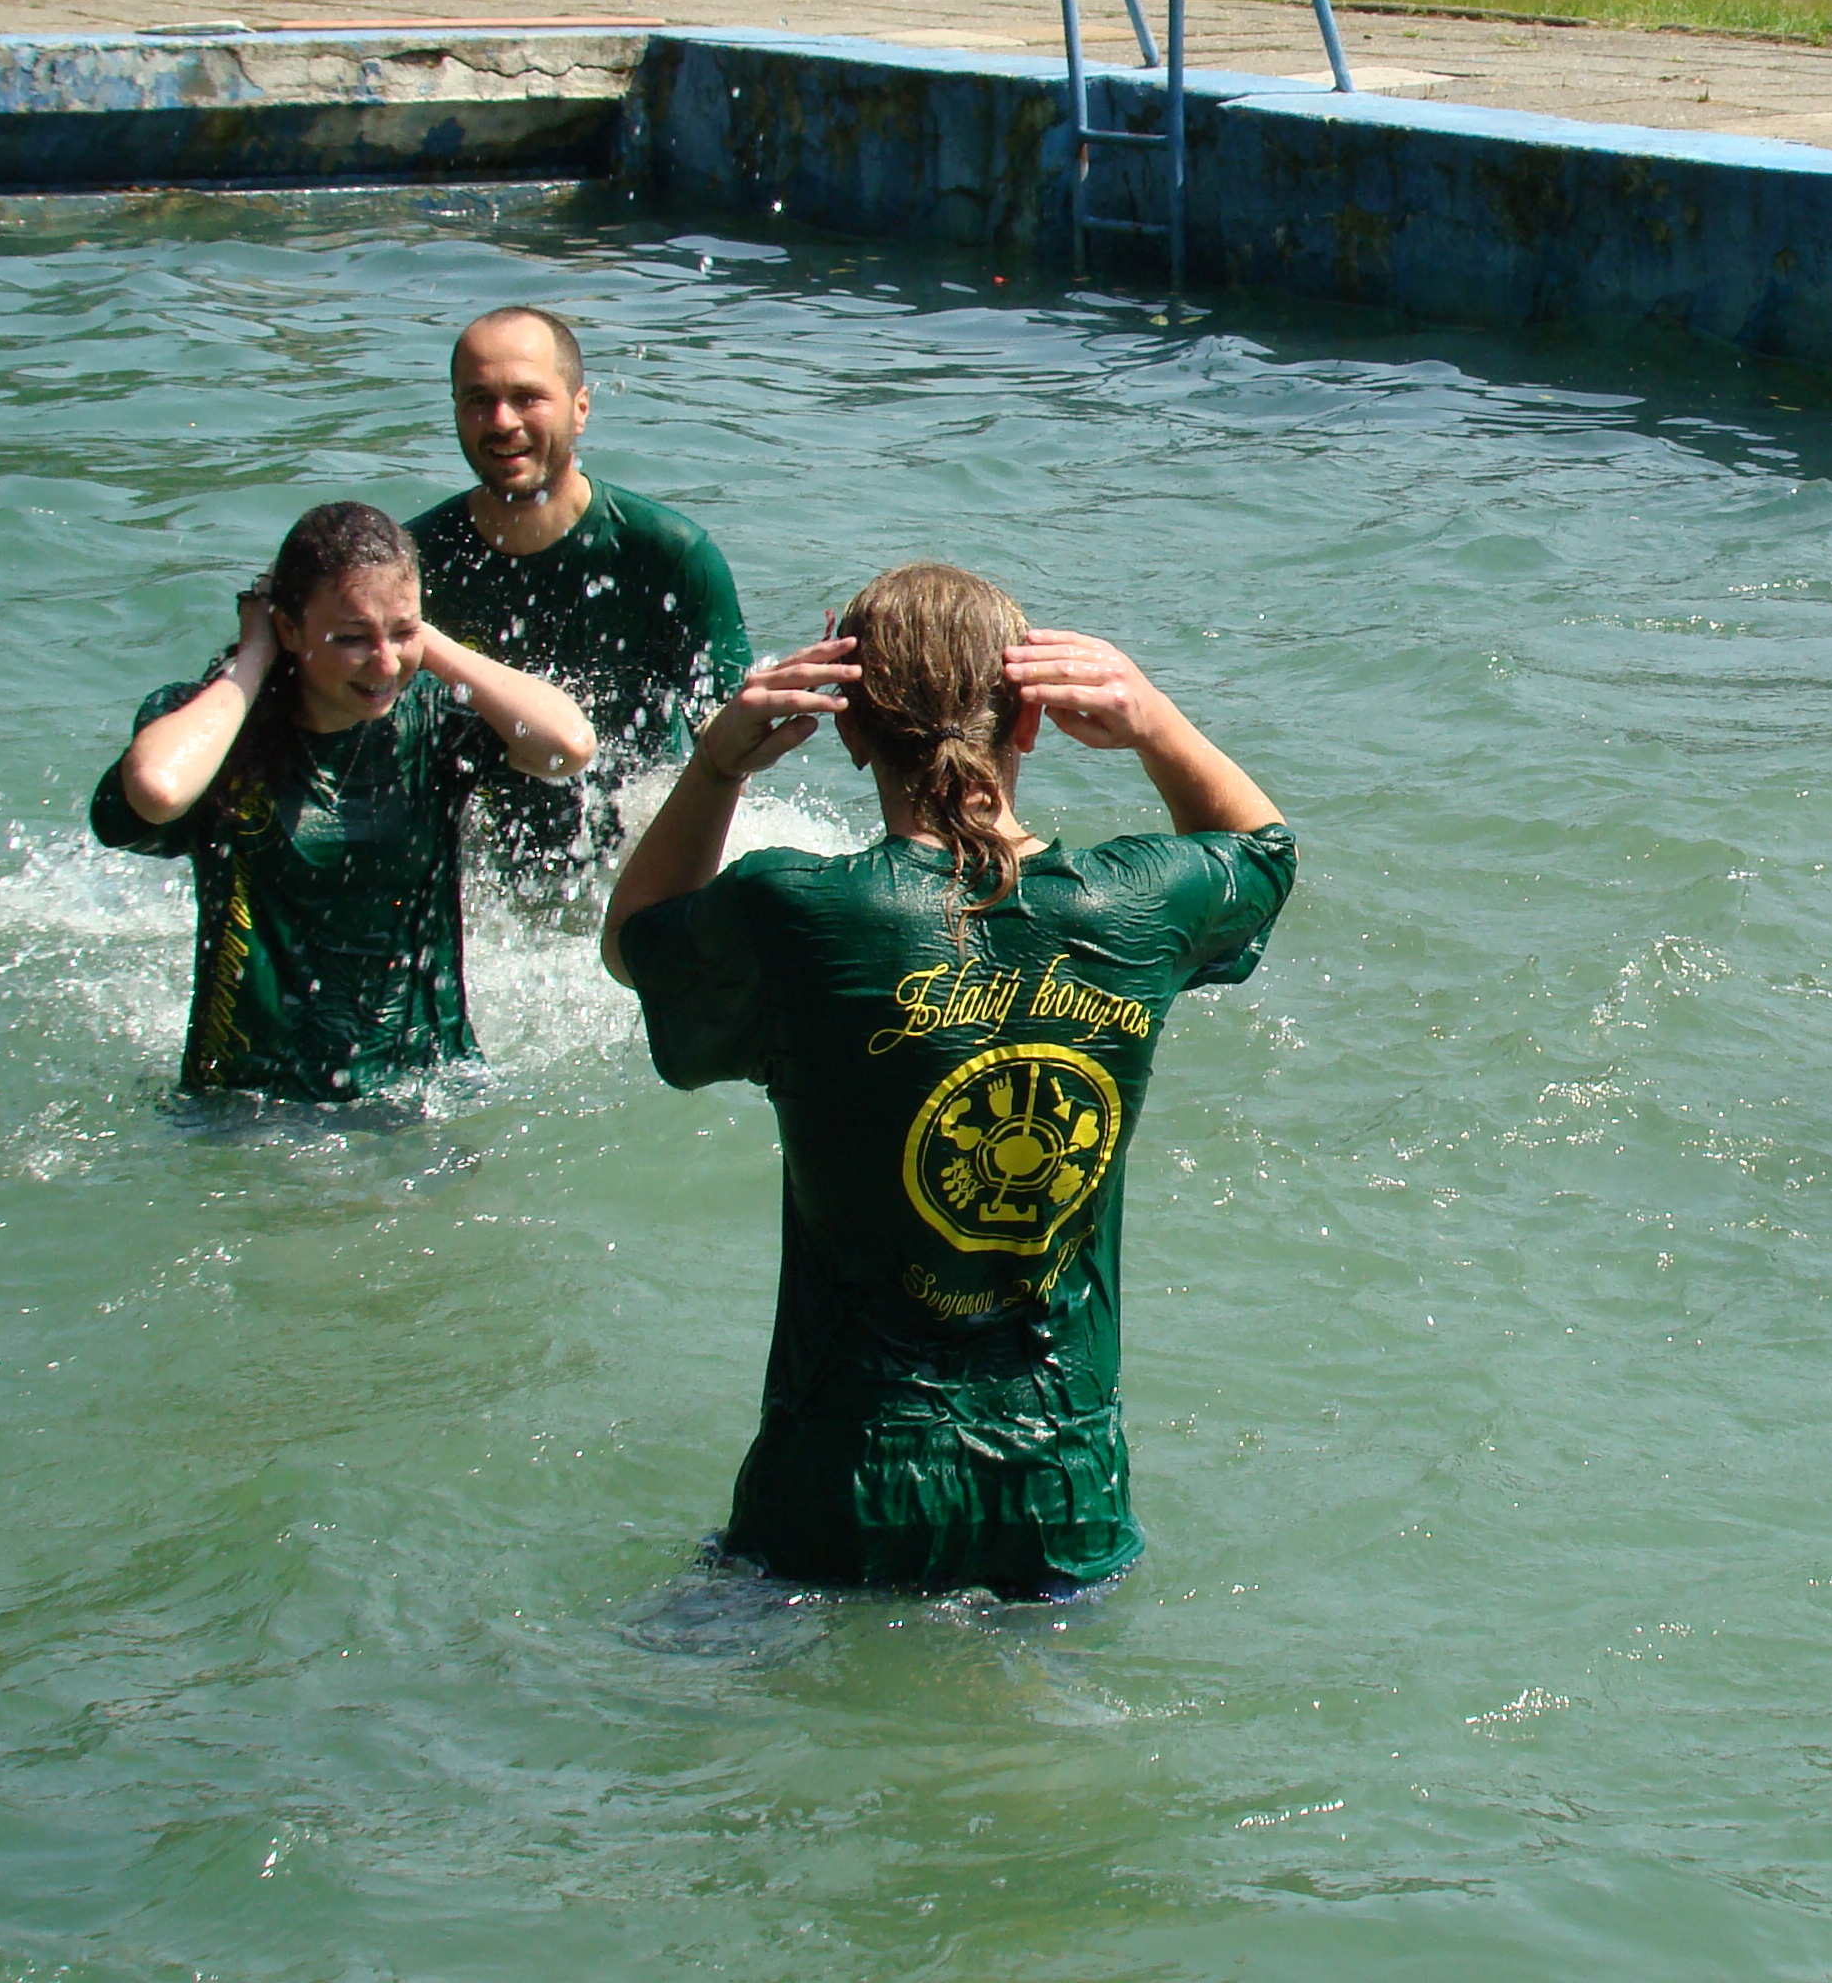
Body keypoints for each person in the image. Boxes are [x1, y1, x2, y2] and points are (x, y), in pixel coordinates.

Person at [599, 564, 1296, 1597]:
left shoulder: (795, 913)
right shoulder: (1135, 905)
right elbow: (1265, 854)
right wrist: (1151, 720)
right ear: (1033, 722)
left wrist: (715, 766)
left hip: (838, 1487)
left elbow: (634, 944)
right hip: (1062, 1497)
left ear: (848, 730)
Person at [90, 502, 597, 1103]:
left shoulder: (433, 720)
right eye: (352, 638)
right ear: (289, 630)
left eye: (402, 633)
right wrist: (253, 656)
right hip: (245, 1102)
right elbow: (158, 790)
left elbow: (568, 747)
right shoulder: (218, 729)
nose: (384, 664)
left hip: (426, 1088)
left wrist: (423, 641)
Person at [409, 305, 750, 875]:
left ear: (580, 408)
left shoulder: (669, 557)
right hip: (475, 869)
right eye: (478, 399)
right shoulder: (412, 565)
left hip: (633, 864)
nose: (502, 421)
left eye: (527, 397)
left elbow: (729, 750)